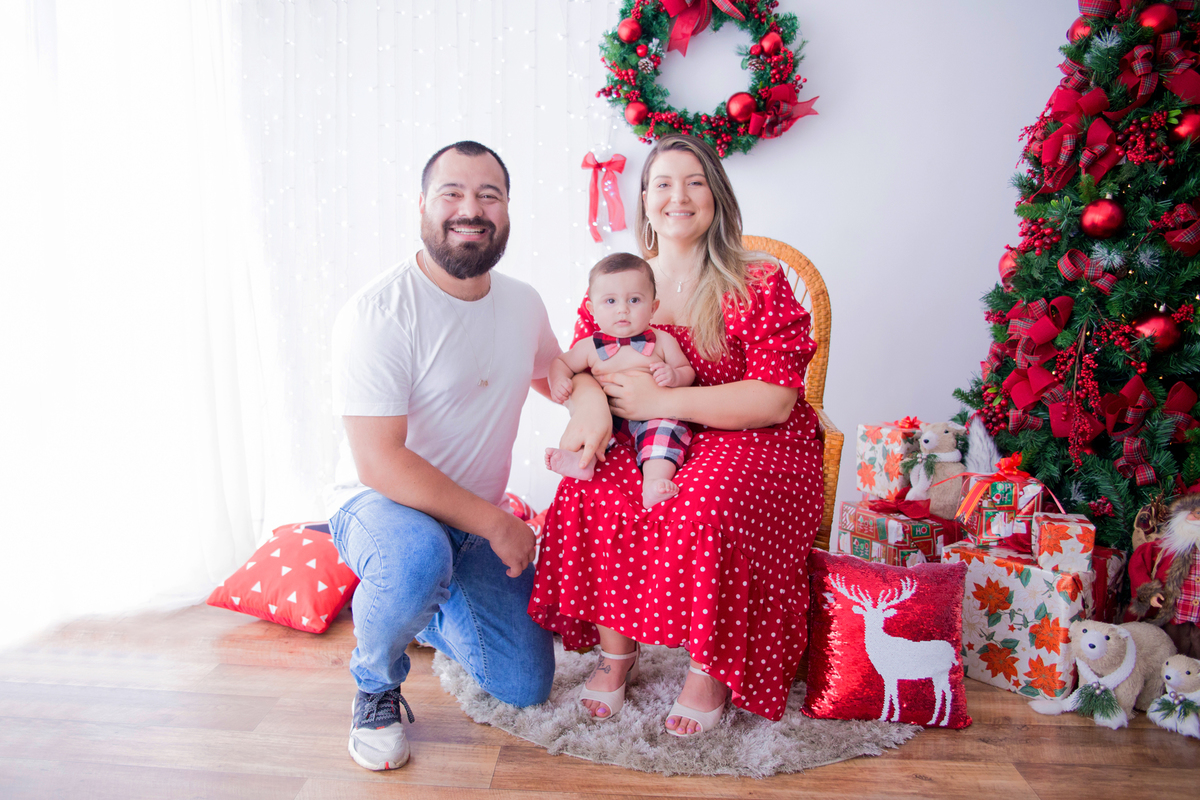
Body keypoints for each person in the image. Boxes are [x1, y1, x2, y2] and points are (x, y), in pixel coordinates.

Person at [528, 134, 824, 737]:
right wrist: (588, 402)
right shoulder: (625, 282)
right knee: (591, 494)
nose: (678, 196)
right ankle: (617, 652)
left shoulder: (756, 281)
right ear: (644, 198)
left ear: (716, 194)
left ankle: (709, 669)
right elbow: (583, 362)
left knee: (706, 505)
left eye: (694, 182)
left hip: (753, 436)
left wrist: (664, 399)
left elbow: (774, 399)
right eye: (663, 182)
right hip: (644, 433)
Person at [327, 141, 561, 771]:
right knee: (415, 555)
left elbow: (557, 376)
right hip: (381, 504)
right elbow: (380, 462)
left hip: (471, 518)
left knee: (526, 685)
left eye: (490, 194)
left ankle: (423, 605)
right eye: (452, 193)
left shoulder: (523, 302)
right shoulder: (379, 312)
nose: (471, 208)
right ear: (423, 206)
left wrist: (599, 402)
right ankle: (375, 685)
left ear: (508, 211)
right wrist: (499, 525)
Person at [544, 252, 696, 509]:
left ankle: (654, 481)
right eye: (611, 301)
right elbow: (560, 363)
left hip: (653, 416)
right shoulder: (590, 346)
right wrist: (558, 381)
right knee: (590, 431)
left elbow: (686, 371)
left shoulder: (662, 341)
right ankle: (581, 463)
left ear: (653, 307)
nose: (622, 309)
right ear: (592, 310)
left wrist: (673, 376)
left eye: (634, 300)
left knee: (664, 433)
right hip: (610, 420)